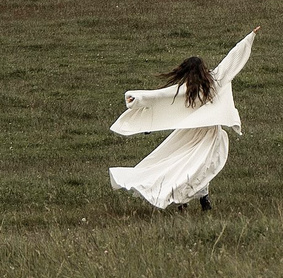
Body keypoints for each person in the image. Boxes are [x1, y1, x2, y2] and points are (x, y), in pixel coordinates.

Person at [109, 28, 257, 211]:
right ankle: (194, 198)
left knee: (190, 164)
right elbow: (232, 59)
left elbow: (158, 96)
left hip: (190, 133)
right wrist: (249, 38)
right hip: (209, 133)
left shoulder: (185, 90)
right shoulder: (215, 80)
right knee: (201, 165)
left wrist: (136, 98)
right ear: (202, 69)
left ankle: (191, 199)